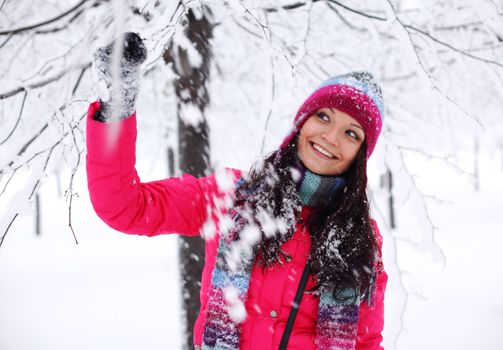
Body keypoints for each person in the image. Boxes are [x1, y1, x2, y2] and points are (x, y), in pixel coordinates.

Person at [87, 32, 387, 350]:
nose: (330, 136)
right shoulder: (231, 197)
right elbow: (125, 207)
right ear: (301, 122)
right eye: (323, 116)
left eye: (351, 133)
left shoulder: (362, 241)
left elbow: (365, 343)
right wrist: (116, 107)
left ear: (361, 155)